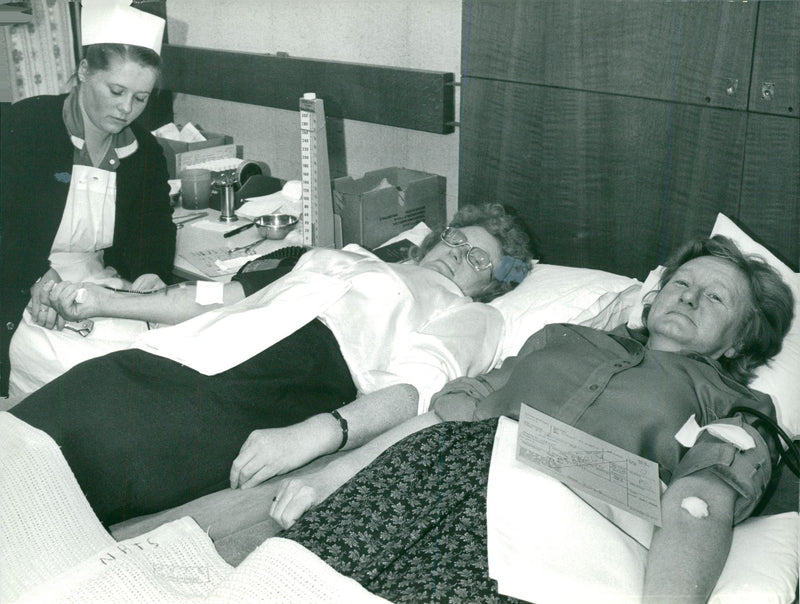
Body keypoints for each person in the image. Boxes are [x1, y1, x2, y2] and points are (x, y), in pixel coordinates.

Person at [268, 235, 794, 603]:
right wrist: (331, 477)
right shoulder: (562, 338)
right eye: (681, 283)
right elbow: (448, 417)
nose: (688, 297)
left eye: (716, 297)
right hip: (432, 475)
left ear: (741, 339)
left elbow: (699, 503)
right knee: (287, 581)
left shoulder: (740, 409)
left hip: (557, 527)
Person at [9, 203, 536, 527]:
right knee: (30, 432)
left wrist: (317, 433)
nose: (456, 255)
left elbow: (416, 391)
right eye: (456, 240)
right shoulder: (348, 256)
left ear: (493, 282)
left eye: (477, 259)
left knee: (69, 484)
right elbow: (224, 293)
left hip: (283, 383)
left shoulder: (474, 314)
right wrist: (104, 303)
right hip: (182, 351)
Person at [0, 2, 175, 397]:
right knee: (99, 384)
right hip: (17, 286)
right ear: (83, 71)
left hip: (98, 286)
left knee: (164, 358)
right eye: (116, 91)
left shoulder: (144, 152)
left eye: (141, 98)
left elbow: (154, 232)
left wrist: (149, 277)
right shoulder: (25, 125)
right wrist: (35, 277)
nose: (126, 109)